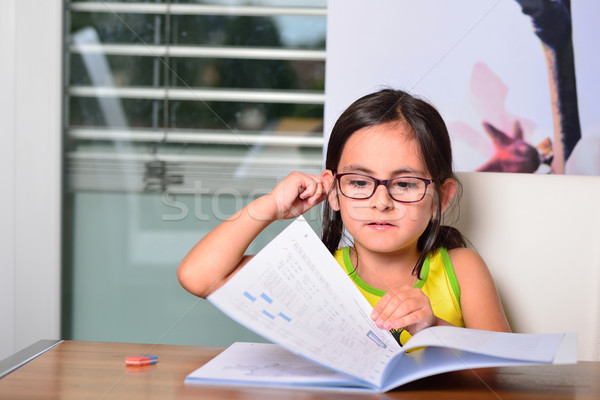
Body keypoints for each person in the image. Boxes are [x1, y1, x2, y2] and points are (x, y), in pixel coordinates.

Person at [178, 88, 511, 346]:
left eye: (406, 184)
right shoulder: (318, 273)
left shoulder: (463, 269)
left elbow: (506, 369)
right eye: (359, 182)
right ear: (334, 192)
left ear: (441, 198)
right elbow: (199, 277)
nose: (381, 202)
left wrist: (433, 327)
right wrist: (270, 207)